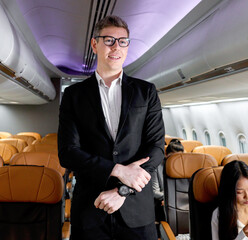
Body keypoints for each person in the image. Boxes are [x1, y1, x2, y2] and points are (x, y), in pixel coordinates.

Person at [58, 15, 165, 240]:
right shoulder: (74, 95)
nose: (116, 47)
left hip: (137, 212)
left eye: (123, 41)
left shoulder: (146, 92)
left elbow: (156, 149)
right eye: (109, 40)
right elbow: (68, 153)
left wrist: (122, 190)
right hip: (90, 210)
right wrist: (117, 170)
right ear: (94, 44)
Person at [152, 138, 184, 222]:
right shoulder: (157, 167)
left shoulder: (185, 167)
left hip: (180, 201)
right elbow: (154, 191)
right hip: (161, 201)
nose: (174, 161)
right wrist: (167, 199)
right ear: (166, 154)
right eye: (172, 157)